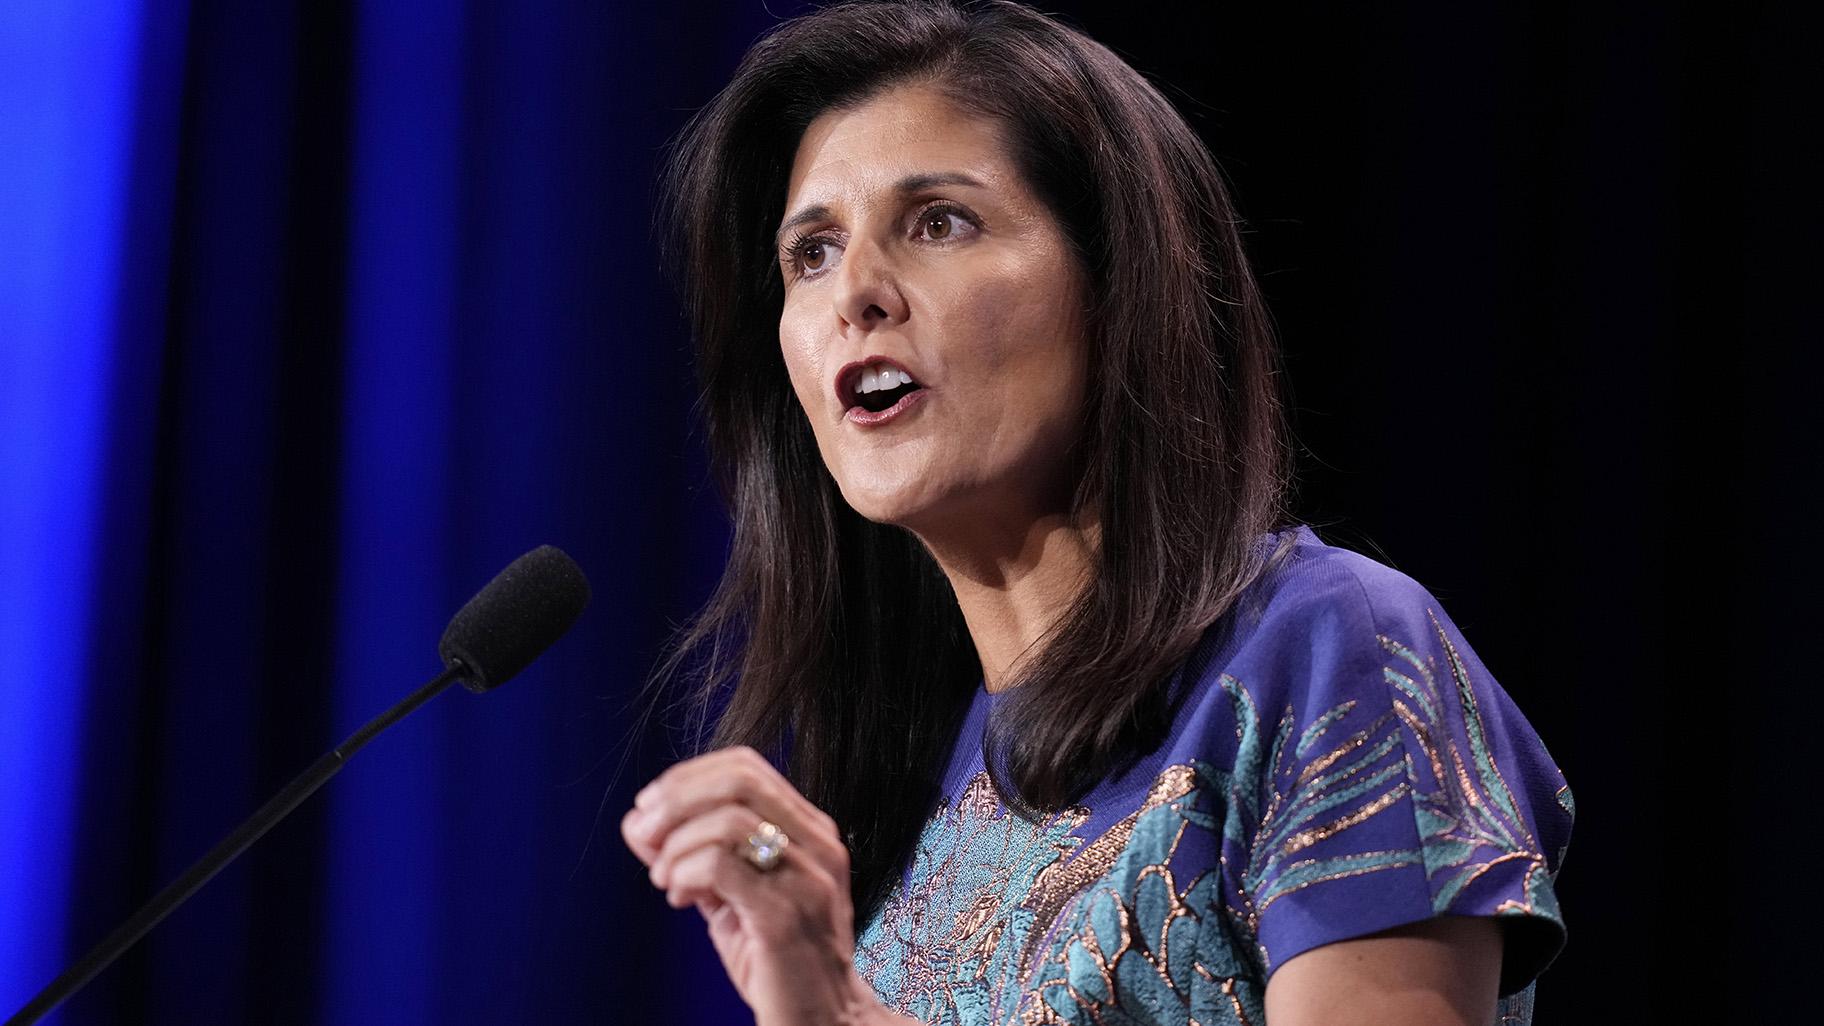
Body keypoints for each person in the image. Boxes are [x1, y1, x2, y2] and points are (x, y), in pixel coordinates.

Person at [619, 2, 1572, 1024]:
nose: (854, 291)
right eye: (810, 252)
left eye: (940, 222)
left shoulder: (1331, 649)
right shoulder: (920, 782)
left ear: (1118, 281)